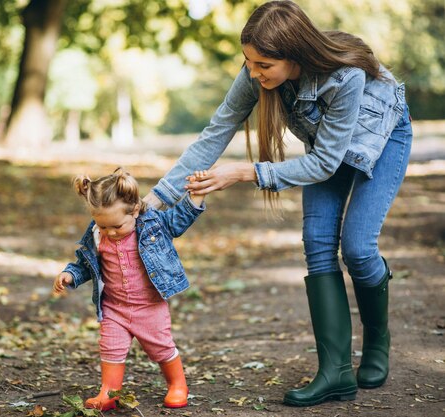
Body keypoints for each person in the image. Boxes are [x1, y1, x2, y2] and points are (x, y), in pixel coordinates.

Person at [143, 0, 412, 407]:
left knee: (358, 248)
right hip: (330, 149)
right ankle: (335, 373)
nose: (253, 72)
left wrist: (243, 173)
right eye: (248, 61)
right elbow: (217, 131)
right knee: (317, 242)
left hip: (383, 136)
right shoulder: (259, 73)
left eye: (263, 64)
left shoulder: (346, 77)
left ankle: (376, 338)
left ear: (295, 55)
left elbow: (324, 163)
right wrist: (156, 197)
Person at [53, 167, 208, 411]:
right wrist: (70, 275)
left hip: (149, 307)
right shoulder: (96, 234)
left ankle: (178, 384)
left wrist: (196, 195)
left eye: (116, 226)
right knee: (110, 348)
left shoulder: (153, 224)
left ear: (135, 210)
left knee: (162, 347)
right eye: (103, 226)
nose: (109, 233)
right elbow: (85, 264)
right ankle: (109, 393)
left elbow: (179, 218)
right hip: (114, 307)